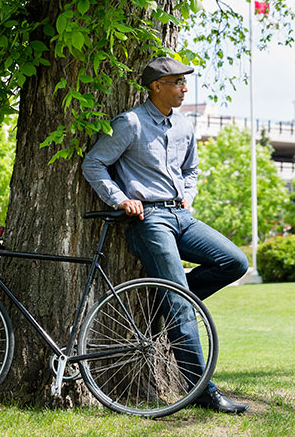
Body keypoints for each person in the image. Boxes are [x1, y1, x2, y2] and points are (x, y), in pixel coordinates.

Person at [82, 56, 250, 414]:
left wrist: (189, 194)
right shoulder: (129, 123)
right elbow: (93, 163)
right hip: (150, 220)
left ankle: (166, 303)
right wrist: (121, 199)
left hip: (181, 214)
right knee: (183, 306)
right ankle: (202, 390)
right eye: (177, 83)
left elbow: (192, 168)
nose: (184, 89)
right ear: (156, 86)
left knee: (235, 262)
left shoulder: (185, 125)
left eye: (184, 83)